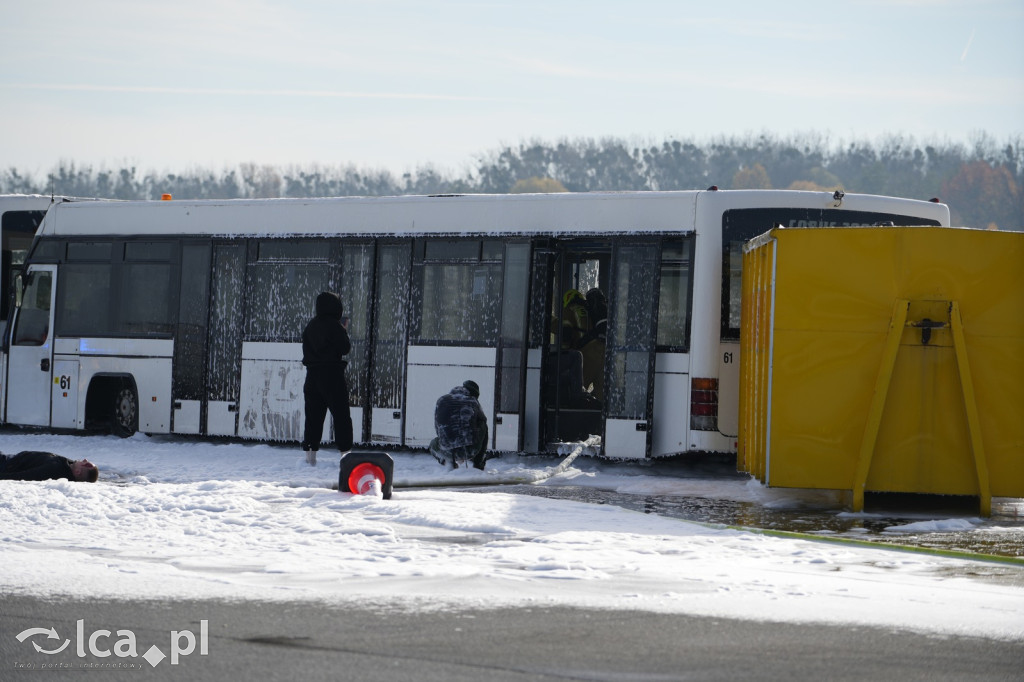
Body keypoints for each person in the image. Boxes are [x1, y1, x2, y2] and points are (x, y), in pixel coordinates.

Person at [301, 291, 353, 466]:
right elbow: (345, 348)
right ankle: (345, 454)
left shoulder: (311, 326)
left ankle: (310, 457)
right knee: (341, 416)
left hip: (311, 377)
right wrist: (343, 331)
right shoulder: (335, 326)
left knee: (313, 418)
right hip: (332, 376)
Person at [429, 380, 489, 470]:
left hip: (446, 450)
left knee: (433, 444)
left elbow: (438, 428)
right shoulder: (473, 401)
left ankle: (447, 461)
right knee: (483, 425)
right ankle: (478, 464)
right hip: (469, 450)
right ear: (474, 394)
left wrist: (449, 442)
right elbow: (483, 421)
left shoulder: (442, 400)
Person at [0, 451, 98, 482]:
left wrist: (2, 477)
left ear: (78, 472)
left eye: (87, 464)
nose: (85, 459)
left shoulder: (54, 470)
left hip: (6, 464)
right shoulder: (69, 466)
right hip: (10, 459)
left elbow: (24, 476)